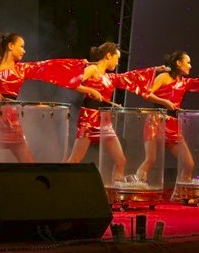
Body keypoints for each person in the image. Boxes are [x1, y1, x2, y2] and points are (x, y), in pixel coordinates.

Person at [0, 32, 86, 180]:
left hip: (10, 116)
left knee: (27, 161)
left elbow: (48, 66)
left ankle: (33, 188)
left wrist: (78, 65)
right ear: (11, 46)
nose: (24, 51)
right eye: (21, 46)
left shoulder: (21, 69)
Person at [66, 41, 165, 185]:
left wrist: (155, 69)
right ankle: (63, 185)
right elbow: (72, 82)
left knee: (121, 160)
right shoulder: (93, 69)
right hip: (89, 119)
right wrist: (90, 90)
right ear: (108, 55)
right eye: (116, 58)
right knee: (75, 159)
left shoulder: (110, 77)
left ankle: (114, 190)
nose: (118, 62)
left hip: (105, 121)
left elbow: (131, 76)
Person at [135, 51, 199, 184]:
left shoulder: (184, 82)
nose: (190, 66)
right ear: (178, 63)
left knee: (188, 164)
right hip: (156, 121)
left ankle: (181, 191)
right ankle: (137, 185)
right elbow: (146, 93)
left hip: (172, 124)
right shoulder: (164, 77)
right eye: (188, 62)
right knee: (151, 159)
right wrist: (164, 102)